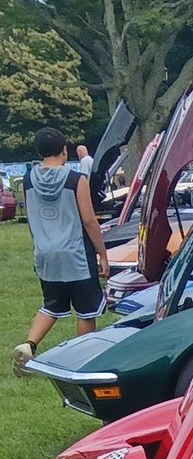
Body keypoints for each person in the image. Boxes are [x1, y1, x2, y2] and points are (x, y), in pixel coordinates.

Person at [14, 125, 111, 375]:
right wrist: (102, 253)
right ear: (65, 150)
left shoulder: (27, 180)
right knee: (87, 310)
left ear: (38, 151)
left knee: (51, 304)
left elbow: (34, 218)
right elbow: (89, 220)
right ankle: (84, 357)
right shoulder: (75, 179)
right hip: (76, 253)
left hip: (45, 252)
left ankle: (29, 345)